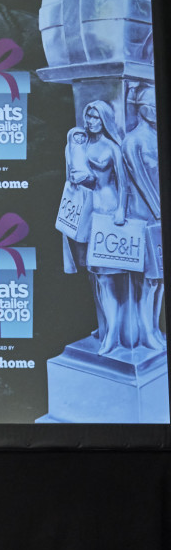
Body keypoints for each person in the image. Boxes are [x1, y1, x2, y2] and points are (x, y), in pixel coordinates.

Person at [62, 100, 128, 355]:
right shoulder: (79, 143)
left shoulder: (112, 147)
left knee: (106, 275)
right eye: (88, 117)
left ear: (104, 120)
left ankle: (113, 334)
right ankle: (104, 326)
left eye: (95, 118)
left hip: (107, 210)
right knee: (92, 274)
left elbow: (123, 183)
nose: (90, 122)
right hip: (84, 212)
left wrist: (121, 210)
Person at [121, 85, 163, 350]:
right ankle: (145, 331)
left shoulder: (156, 137)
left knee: (160, 279)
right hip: (145, 217)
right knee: (146, 280)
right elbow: (140, 180)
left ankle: (155, 327)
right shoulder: (133, 140)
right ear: (145, 109)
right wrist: (159, 211)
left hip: (158, 217)